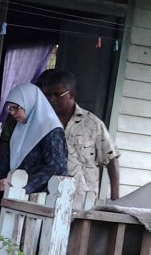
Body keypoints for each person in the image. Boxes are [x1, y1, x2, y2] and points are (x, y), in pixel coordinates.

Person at [37, 68, 121, 202]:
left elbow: (111, 158)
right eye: (48, 95)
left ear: (71, 94)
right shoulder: (41, 122)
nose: (51, 99)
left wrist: (115, 198)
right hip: (45, 197)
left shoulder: (92, 124)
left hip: (81, 200)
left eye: (57, 94)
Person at [0, 83, 68, 196]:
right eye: (10, 108)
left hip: (41, 198)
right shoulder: (22, 129)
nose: (12, 113)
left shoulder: (52, 130)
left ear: (30, 103)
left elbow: (56, 168)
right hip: (18, 195)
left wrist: (24, 186)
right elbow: (3, 163)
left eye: (16, 108)